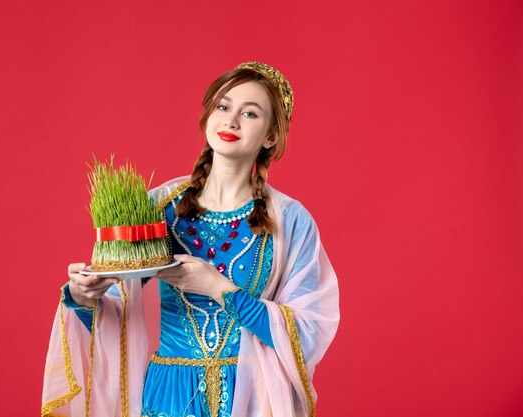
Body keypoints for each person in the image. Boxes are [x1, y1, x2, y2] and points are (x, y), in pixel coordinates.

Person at [42, 62, 340, 417]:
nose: (231, 121)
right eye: (223, 106)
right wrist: (82, 296)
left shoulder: (290, 220)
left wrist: (218, 287)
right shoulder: (160, 206)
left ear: (271, 136)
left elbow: (303, 336)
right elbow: (114, 315)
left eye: (250, 113)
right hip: (170, 396)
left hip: (252, 399)